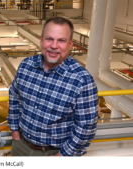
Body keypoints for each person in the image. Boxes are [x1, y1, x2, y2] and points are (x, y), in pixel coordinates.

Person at [7, 17, 98, 156]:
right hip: (21, 146)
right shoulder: (26, 66)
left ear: (70, 44)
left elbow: (86, 128)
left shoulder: (82, 80)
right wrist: (15, 133)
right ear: (41, 40)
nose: (54, 46)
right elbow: (14, 97)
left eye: (61, 40)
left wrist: (61, 156)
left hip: (54, 153)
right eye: (49, 39)